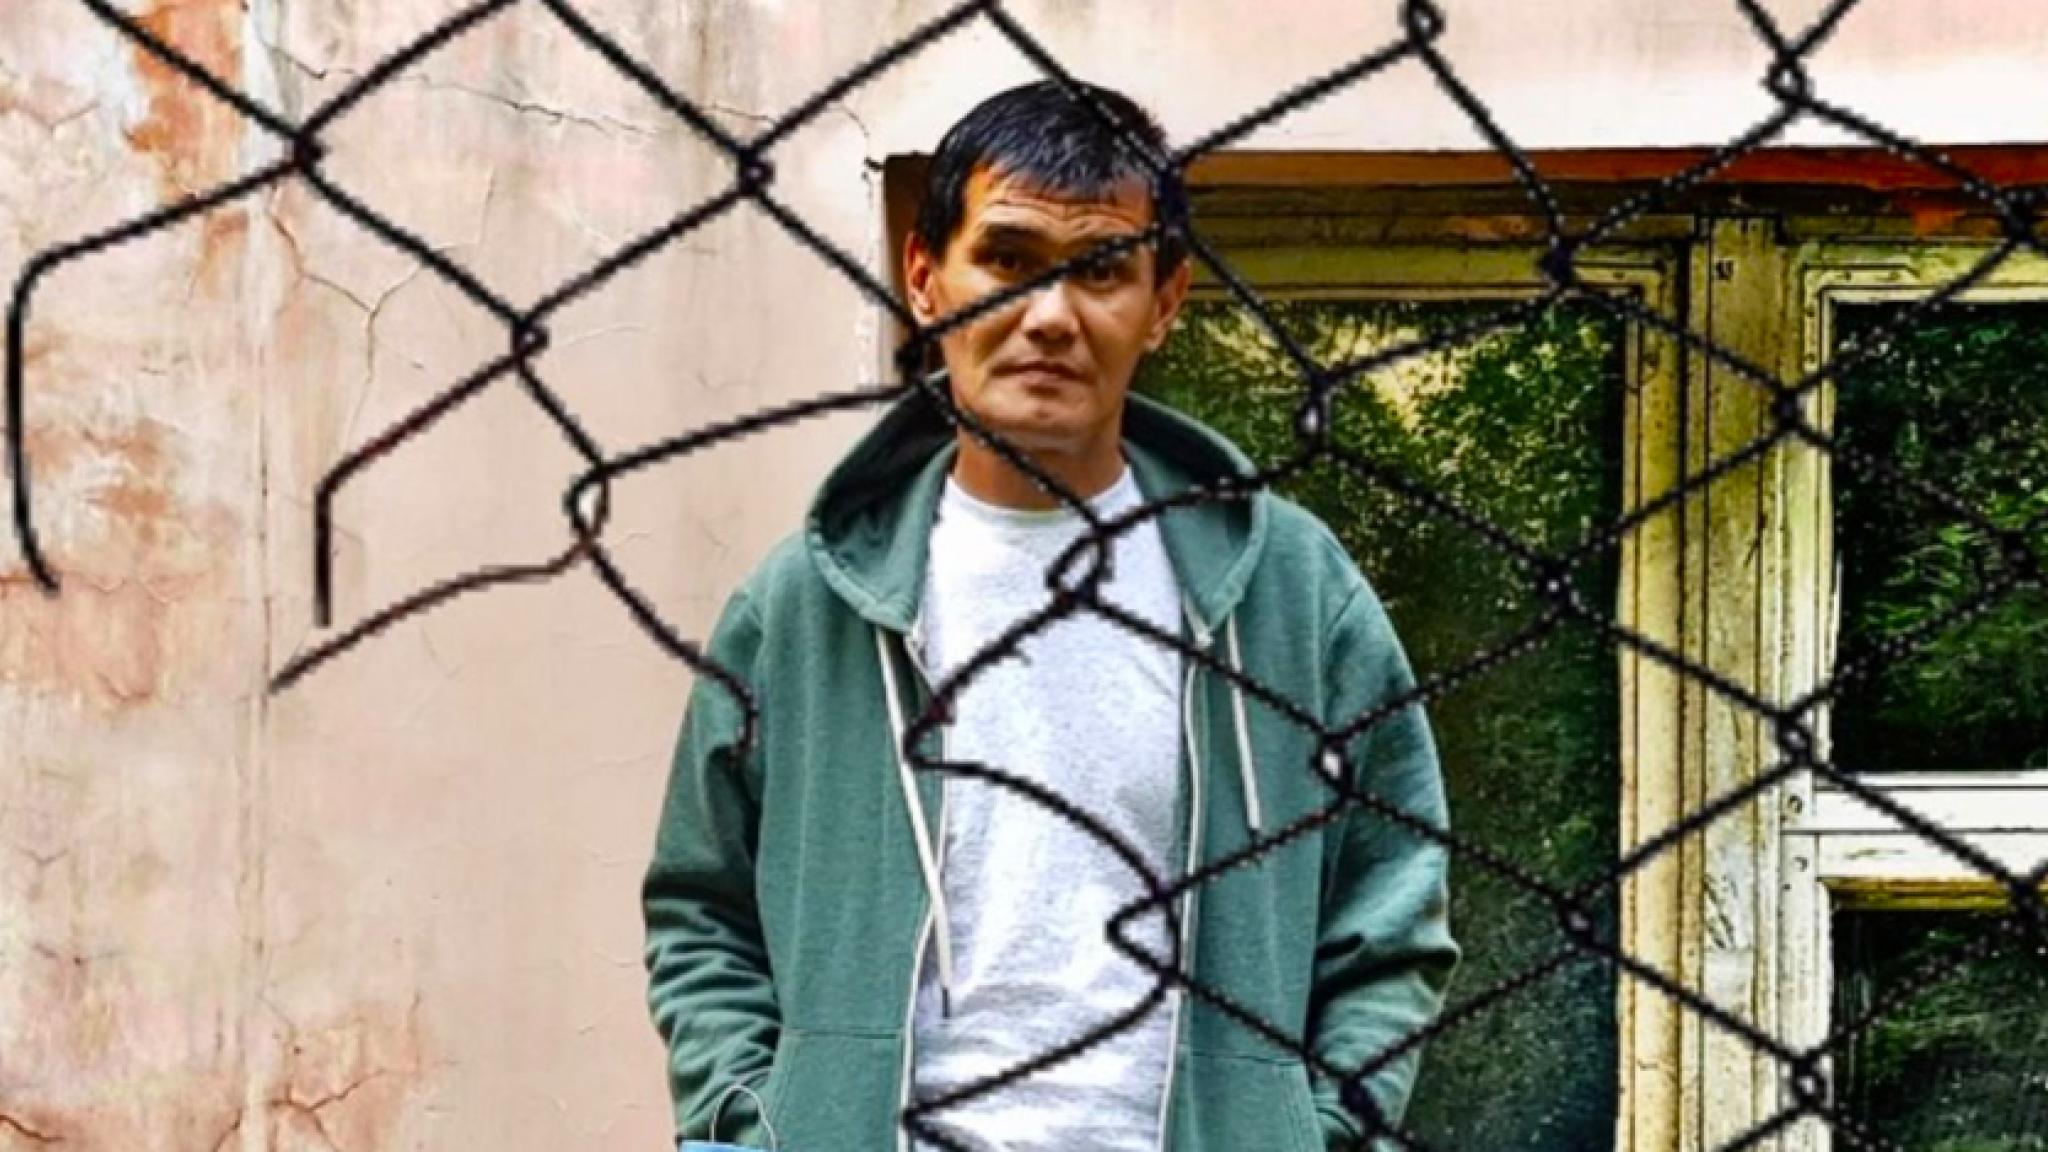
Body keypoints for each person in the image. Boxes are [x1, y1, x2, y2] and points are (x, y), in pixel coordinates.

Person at [643, 78, 1460, 1152]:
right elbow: (702, 908)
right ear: (925, 280)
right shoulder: (802, 605)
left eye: (1101, 270)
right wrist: (750, 1125)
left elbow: (1391, 905)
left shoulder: (1291, 592)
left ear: (1163, 303)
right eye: (1008, 259)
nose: (1049, 317)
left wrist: (1316, 1134)